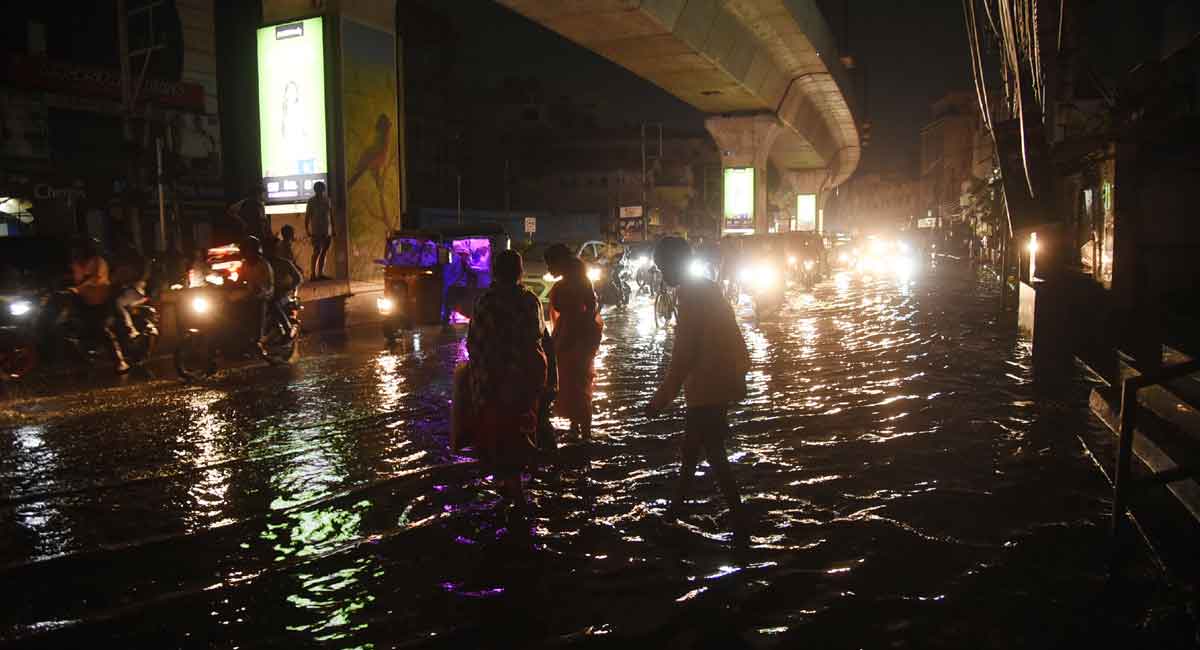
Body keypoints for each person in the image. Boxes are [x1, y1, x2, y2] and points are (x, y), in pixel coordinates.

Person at [645, 236, 750, 536]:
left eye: (663, 267)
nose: (662, 274)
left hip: (708, 386)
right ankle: (675, 513)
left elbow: (684, 354)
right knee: (693, 452)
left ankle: (738, 518)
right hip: (716, 381)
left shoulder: (692, 296)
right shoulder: (704, 289)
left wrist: (660, 400)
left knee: (713, 453)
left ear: (674, 263)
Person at [462, 250, 546, 509]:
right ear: (520, 272)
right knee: (522, 427)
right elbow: (538, 337)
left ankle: (512, 490)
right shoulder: (529, 301)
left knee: (500, 435)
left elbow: (475, 343)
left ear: (495, 272)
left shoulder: (485, 302)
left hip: (493, 381)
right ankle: (523, 477)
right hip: (524, 379)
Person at [545, 243, 603, 441]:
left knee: (576, 382)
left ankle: (584, 432)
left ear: (560, 262)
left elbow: (591, 309)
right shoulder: (571, 281)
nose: (548, 269)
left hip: (576, 338)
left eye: (550, 264)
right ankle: (576, 427)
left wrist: (578, 335)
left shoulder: (576, 282)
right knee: (571, 382)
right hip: (567, 336)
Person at [67, 238, 129, 373]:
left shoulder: (97, 261)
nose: (76, 252)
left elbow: (96, 279)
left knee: (101, 329)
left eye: (78, 249)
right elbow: (75, 279)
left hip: (100, 299)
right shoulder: (76, 264)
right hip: (83, 300)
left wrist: (78, 288)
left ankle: (120, 361)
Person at [230, 236, 274, 354]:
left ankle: (258, 341)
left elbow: (269, 283)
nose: (247, 253)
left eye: (250, 250)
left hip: (264, 294)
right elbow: (240, 280)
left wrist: (261, 291)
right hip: (250, 293)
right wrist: (229, 285)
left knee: (258, 306)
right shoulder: (245, 264)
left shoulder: (264, 264)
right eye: (246, 250)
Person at [267, 227, 303, 338]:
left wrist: (288, 288)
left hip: (283, 293)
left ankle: (287, 328)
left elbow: (298, 278)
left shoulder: (284, 263)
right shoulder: (264, 263)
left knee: (274, 304)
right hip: (268, 292)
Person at [305, 181, 334, 280]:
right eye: (318, 189)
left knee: (324, 252)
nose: (320, 191)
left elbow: (330, 215)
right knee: (316, 251)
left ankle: (320, 273)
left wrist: (333, 229)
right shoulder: (311, 201)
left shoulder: (327, 200)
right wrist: (307, 229)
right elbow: (307, 216)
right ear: (315, 190)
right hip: (316, 231)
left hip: (326, 230)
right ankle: (313, 274)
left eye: (321, 189)